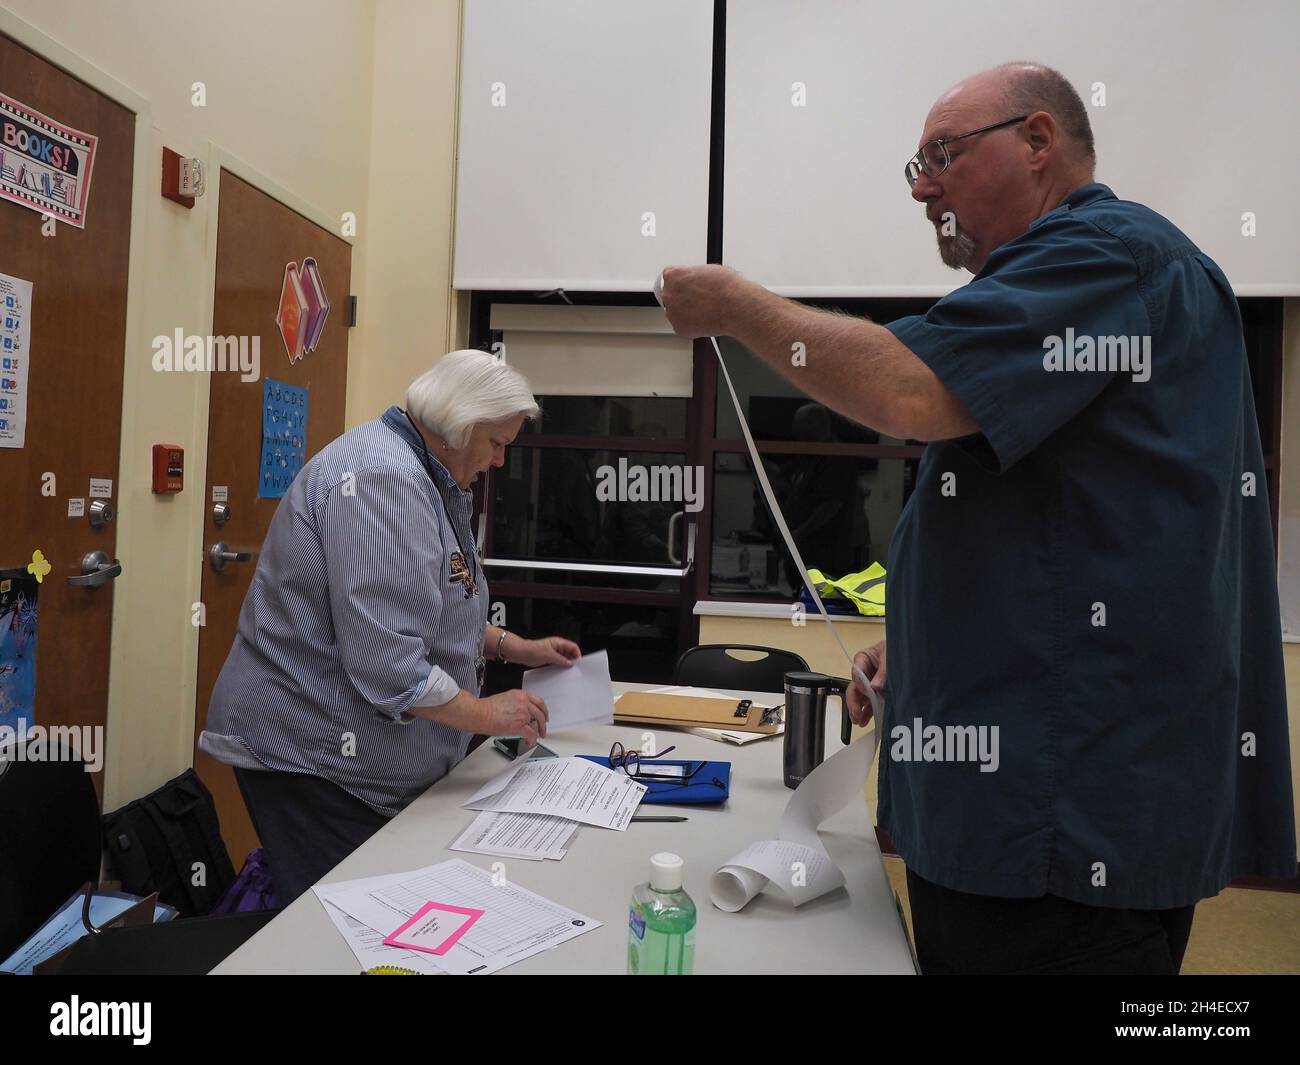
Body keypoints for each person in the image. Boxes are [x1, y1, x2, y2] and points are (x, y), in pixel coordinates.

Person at [659, 62, 1295, 974]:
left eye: (943, 155)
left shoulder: (1104, 257)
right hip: (1051, 807)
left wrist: (734, 306)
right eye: (915, 164)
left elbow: (912, 389)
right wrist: (920, 645)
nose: (922, 185)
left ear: (1039, 141)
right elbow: (1073, 541)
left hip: (1058, 833)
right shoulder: (1096, 281)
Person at [200, 349, 581, 903]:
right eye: (497, 443)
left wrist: (511, 647)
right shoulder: (386, 483)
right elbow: (386, 662)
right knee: (349, 916)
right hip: (313, 753)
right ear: (459, 422)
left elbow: (423, 610)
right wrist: (485, 714)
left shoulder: (427, 474)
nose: (500, 461)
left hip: (348, 756)